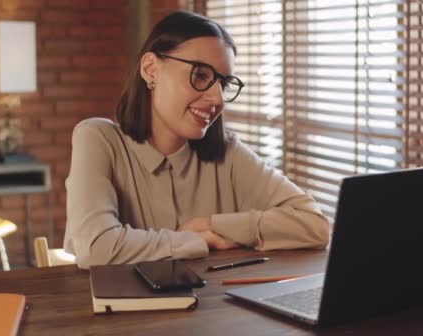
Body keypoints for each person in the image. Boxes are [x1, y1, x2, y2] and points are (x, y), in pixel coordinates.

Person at [64, 11, 330, 268]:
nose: (217, 99)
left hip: (208, 312)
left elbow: (315, 226)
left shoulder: (228, 153)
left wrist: (211, 224)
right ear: (150, 69)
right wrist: (196, 241)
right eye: (201, 75)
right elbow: (96, 247)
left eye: (223, 85)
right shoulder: (98, 138)